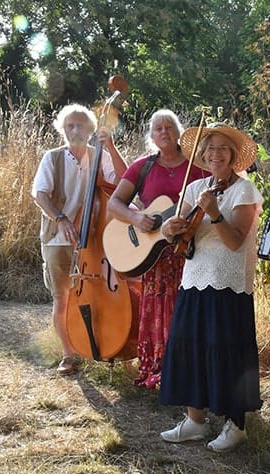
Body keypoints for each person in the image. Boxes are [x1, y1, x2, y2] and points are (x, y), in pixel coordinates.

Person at [158, 123, 263, 453]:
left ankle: (236, 424)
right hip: (194, 279)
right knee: (190, 347)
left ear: (233, 156)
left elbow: (235, 242)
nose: (216, 154)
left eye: (223, 148)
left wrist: (215, 213)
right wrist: (168, 228)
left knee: (228, 350)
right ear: (202, 155)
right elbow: (178, 235)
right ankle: (195, 421)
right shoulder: (194, 188)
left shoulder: (244, 191)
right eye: (210, 148)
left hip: (229, 284)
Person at [107, 109, 206, 388]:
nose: (164, 132)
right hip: (156, 257)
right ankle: (159, 367)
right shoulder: (142, 166)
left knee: (189, 309)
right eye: (158, 128)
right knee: (159, 307)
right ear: (151, 136)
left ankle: (189, 369)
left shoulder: (198, 166)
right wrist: (136, 218)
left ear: (179, 133)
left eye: (169, 127)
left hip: (192, 250)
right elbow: (115, 204)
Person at [31, 103, 127, 376]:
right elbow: (40, 195)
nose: (75, 130)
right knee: (62, 298)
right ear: (62, 129)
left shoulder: (99, 156)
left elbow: (123, 180)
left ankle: (102, 345)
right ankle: (68, 354)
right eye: (70, 126)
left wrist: (111, 147)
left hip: (95, 239)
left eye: (81, 125)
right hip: (58, 239)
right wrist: (61, 219)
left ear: (90, 129)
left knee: (100, 293)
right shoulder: (52, 158)